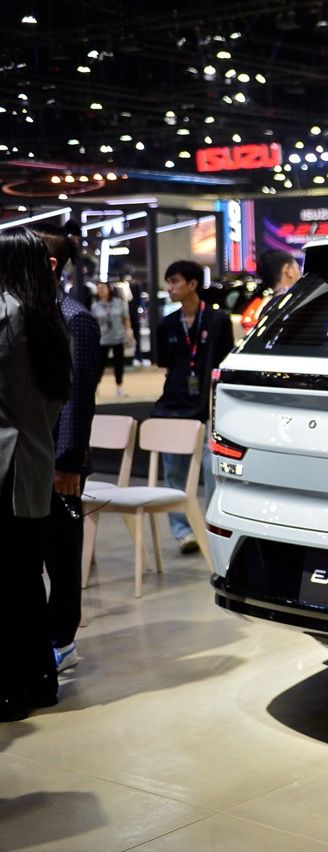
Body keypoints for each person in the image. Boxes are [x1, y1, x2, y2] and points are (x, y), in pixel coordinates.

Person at [0, 228, 72, 722]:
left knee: (7, 584)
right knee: (24, 579)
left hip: (5, 463)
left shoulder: (8, 313)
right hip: (32, 463)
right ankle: (38, 682)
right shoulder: (50, 319)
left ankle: (8, 692)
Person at [34, 225, 99, 673]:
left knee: (60, 553)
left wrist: (68, 461)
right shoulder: (33, 313)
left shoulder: (75, 318)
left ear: (51, 264)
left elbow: (78, 398)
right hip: (29, 452)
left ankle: (62, 639)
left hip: (58, 458)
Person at [152, 260, 233, 554]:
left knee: (212, 467)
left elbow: (224, 363)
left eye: (174, 281)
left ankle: (210, 526)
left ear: (192, 284)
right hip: (174, 404)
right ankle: (183, 531)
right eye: (168, 282)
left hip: (208, 404)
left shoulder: (217, 321)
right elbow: (165, 364)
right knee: (173, 469)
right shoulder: (166, 324)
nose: (170, 287)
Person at [92, 281, 132, 396]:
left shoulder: (119, 302)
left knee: (119, 364)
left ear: (109, 289)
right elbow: (94, 323)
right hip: (102, 339)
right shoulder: (95, 306)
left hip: (118, 337)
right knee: (100, 365)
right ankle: (95, 387)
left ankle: (119, 387)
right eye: (99, 288)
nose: (101, 290)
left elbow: (126, 317)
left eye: (103, 288)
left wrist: (128, 331)